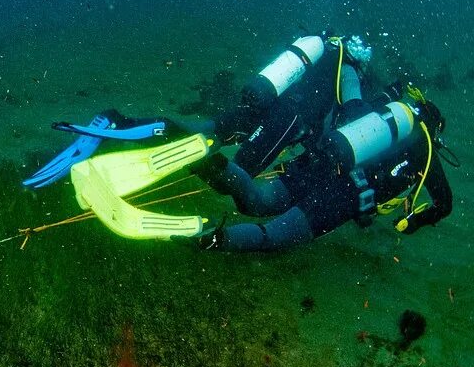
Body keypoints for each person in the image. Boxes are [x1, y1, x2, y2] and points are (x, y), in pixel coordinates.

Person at [24, 33, 374, 187]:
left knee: (204, 135)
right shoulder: (348, 69)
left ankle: (117, 121)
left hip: (265, 105)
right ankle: (133, 131)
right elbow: (353, 116)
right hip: (286, 119)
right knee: (237, 176)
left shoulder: (317, 56)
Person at [195, 85, 455, 251]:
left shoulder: (381, 117)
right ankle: (215, 240)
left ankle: (217, 165)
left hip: (322, 163)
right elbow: (445, 204)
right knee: (272, 236)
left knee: (257, 201)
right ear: (434, 129)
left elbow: (352, 107)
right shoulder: (426, 151)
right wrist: (413, 222)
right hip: (344, 195)